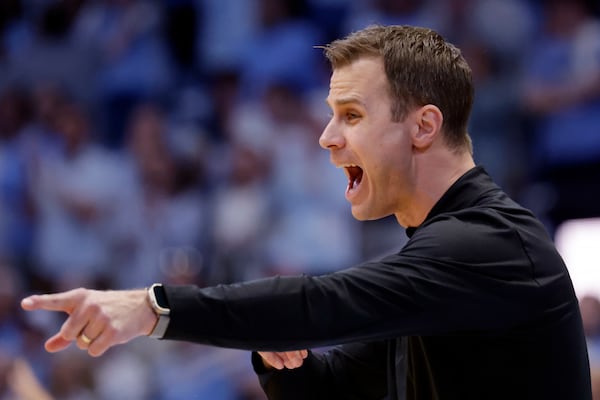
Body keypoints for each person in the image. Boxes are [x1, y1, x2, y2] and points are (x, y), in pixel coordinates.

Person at [20, 25, 592, 400]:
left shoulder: (488, 244)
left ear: (423, 126)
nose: (325, 137)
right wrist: (281, 359)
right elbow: (339, 390)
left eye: (350, 115)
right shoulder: (438, 260)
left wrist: (150, 307)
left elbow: (323, 302)